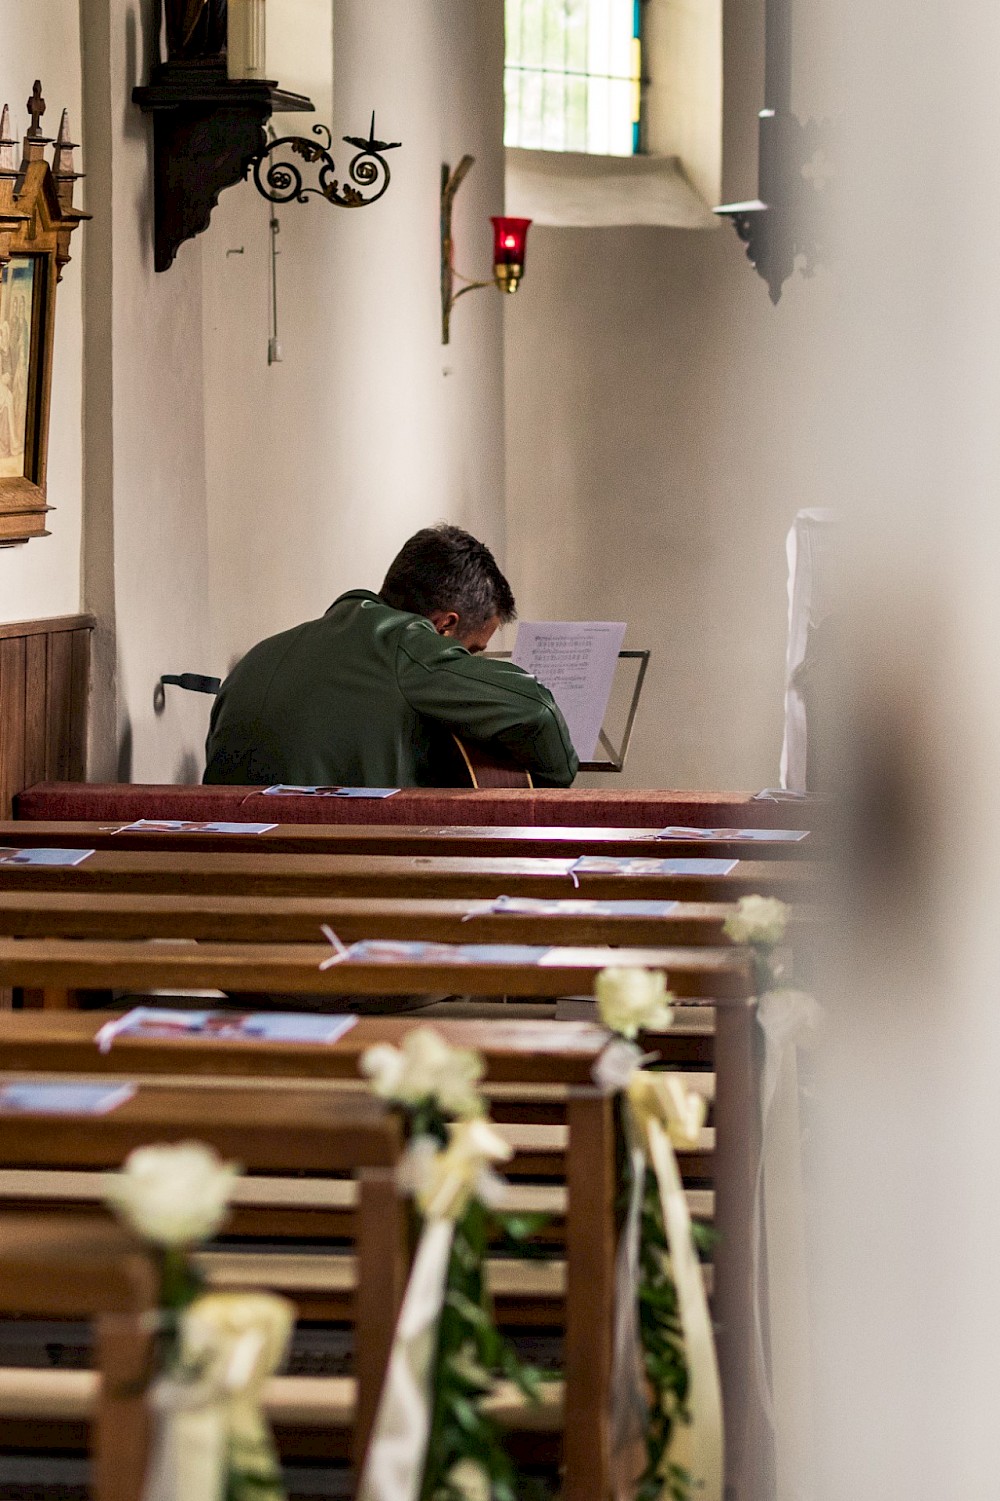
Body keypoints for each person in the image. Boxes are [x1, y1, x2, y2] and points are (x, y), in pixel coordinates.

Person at [203, 524, 578, 788]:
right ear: (444, 627)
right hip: (335, 879)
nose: (468, 664)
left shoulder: (257, 657)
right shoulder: (406, 646)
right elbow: (536, 710)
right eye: (471, 653)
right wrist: (554, 779)